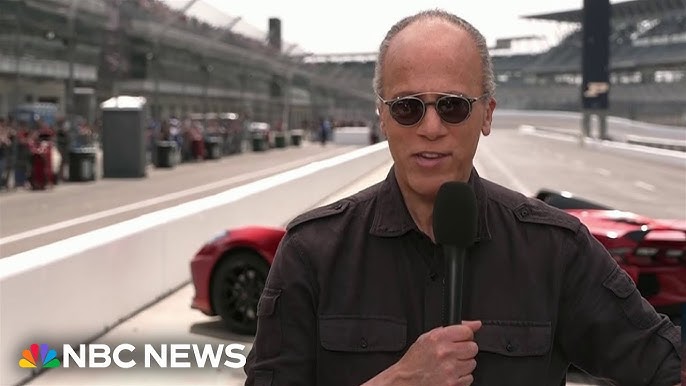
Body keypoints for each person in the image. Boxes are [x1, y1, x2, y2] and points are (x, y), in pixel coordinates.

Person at [244, 9, 682, 386]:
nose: (431, 127)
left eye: (453, 106)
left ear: (486, 114)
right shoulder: (312, 251)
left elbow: (665, 368)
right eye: (407, 107)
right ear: (382, 116)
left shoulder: (556, 249)